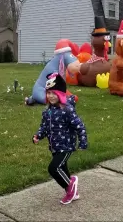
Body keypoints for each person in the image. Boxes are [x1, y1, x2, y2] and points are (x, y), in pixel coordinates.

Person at [32, 72, 88, 204]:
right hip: (54, 146)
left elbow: (79, 126)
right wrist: (38, 135)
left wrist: (83, 141)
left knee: (53, 168)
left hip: (66, 145)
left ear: (61, 94)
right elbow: (44, 127)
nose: (51, 96)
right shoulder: (47, 111)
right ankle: (73, 193)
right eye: (48, 93)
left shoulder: (67, 110)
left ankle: (71, 185)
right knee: (62, 170)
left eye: (54, 93)